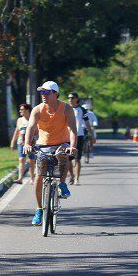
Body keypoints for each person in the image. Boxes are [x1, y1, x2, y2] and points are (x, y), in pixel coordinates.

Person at [23, 81, 78, 226]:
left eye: (46, 92)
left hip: (62, 143)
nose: (43, 95)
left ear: (55, 93)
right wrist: (27, 143)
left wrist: (72, 146)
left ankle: (62, 183)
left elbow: (72, 130)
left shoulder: (66, 108)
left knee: (64, 154)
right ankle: (39, 209)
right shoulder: (37, 109)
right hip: (43, 144)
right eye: (42, 92)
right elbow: (31, 127)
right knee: (39, 176)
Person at [67, 92, 95, 185]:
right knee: (68, 159)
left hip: (79, 136)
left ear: (77, 99)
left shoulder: (82, 110)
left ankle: (77, 179)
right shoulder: (65, 108)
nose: (70, 99)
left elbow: (87, 123)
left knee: (77, 159)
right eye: (69, 97)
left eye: (72, 97)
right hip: (67, 136)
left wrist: (92, 135)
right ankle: (71, 175)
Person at [10, 103, 36, 184]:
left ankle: (32, 178)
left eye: (22, 109)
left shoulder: (33, 119)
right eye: (20, 109)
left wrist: (36, 140)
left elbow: (37, 131)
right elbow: (17, 131)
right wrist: (13, 142)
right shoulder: (19, 120)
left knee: (31, 160)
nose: (20, 111)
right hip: (21, 142)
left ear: (27, 110)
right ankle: (20, 178)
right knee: (21, 159)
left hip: (31, 142)